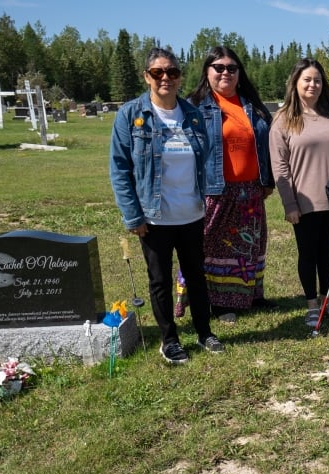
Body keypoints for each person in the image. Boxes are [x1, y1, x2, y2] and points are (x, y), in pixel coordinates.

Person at [109, 47, 223, 364]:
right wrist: (133, 215)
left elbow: (207, 160)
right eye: (158, 72)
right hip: (154, 218)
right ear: (147, 76)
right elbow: (119, 169)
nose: (165, 78)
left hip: (191, 214)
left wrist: (209, 197)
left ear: (179, 76)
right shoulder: (131, 116)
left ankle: (204, 332)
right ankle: (169, 339)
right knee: (159, 280)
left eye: (171, 72)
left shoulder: (193, 115)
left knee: (196, 276)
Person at [178, 46, 275, 316]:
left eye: (231, 68)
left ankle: (250, 296)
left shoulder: (251, 105)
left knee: (250, 246)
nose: (225, 73)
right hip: (215, 191)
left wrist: (266, 180)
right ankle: (219, 303)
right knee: (212, 247)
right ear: (207, 72)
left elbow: (264, 144)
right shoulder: (195, 106)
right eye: (218, 67)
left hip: (250, 192)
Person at [269, 58, 329, 327]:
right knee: (308, 254)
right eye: (307, 79)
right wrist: (289, 203)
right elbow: (279, 165)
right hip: (304, 202)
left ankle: (327, 300)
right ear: (295, 83)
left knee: (327, 253)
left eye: (317, 80)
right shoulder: (284, 120)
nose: (312, 85)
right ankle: (311, 304)